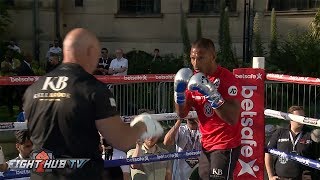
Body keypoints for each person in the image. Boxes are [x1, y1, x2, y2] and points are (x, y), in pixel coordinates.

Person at [22, 28, 163, 180]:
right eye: (97, 54)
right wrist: (143, 124)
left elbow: (34, 133)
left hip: (41, 174)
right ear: (90, 51)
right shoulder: (92, 89)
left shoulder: (33, 89)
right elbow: (121, 139)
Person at [174, 38, 241, 180]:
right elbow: (182, 113)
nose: (196, 63)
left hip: (225, 144)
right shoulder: (192, 79)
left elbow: (232, 118)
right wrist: (178, 94)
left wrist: (212, 94)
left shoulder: (227, 79)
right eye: (192, 58)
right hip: (205, 144)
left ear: (213, 57)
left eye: (201, 58)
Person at [265, 106, 319, 180]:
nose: (301, 120)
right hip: (280, 178)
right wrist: (270, 176)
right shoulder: (280, 132)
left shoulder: (311, 134)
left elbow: (317, 158)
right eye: (298, 117)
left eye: (303, 117)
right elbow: (268, 153)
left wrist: (313, 176)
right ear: (290, 118)